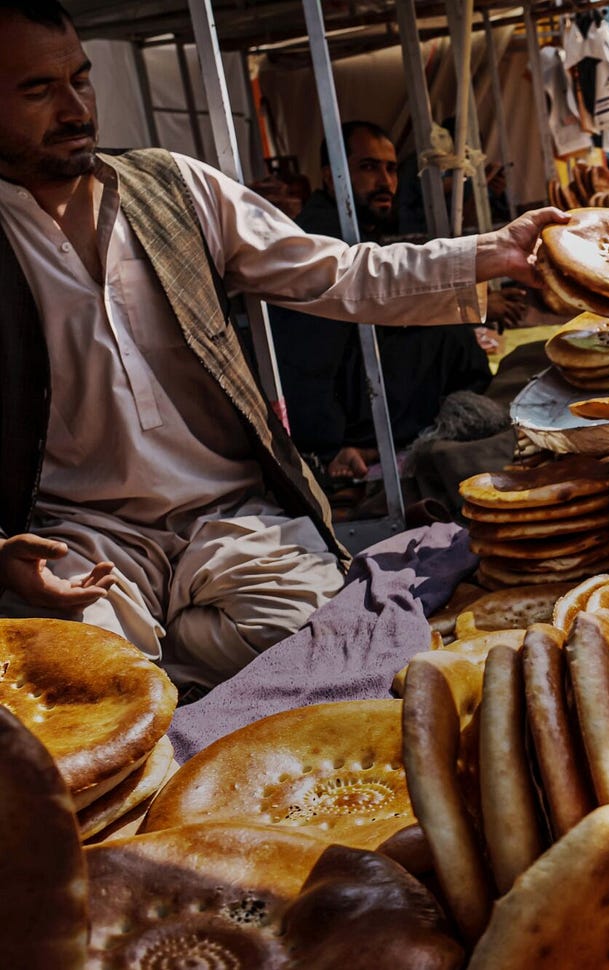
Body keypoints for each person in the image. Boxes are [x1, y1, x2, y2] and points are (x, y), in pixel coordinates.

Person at [0, 0, 563, 688]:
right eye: (38, 90)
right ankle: (166, 658)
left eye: (81, 80)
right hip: (83, 536)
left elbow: (342, 274)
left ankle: (178, 653)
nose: (75, 108)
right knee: (79, 693)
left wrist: (488, 254)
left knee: (336, 652)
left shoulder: (172, 188)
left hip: (228, 515)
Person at [270, 122, 492, 483]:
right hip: (341, 409)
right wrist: (327, 449)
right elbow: (305, 359)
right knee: (452, 336)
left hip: (352, 384)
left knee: (450, 328)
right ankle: (369, 445)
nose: (385, 182)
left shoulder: (353, 225)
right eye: (369, 167)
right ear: (331, 177)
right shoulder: (319, 237)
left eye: (390, 169)